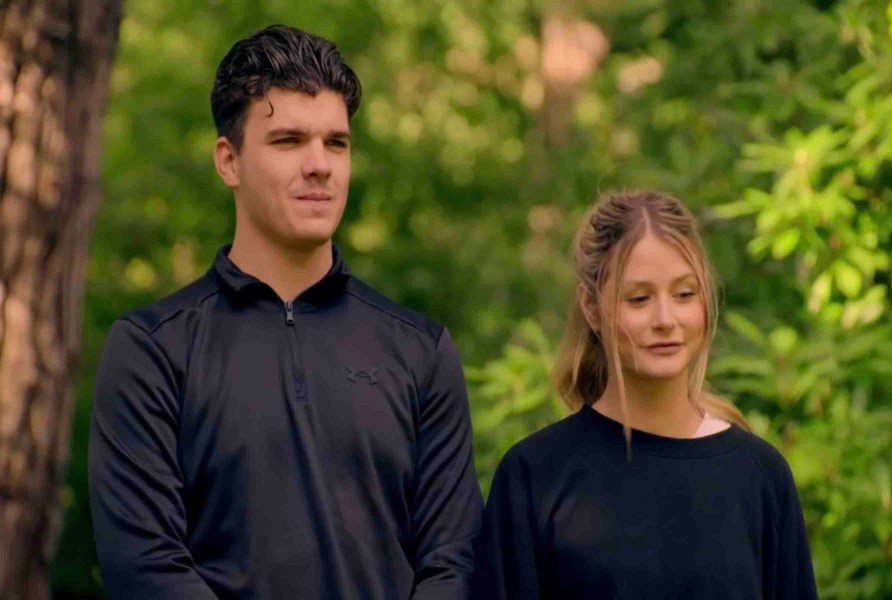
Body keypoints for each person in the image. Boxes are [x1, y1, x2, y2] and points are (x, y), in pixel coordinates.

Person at [88, 25, 482, 599]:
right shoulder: (152, 350)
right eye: (288, 140)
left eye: (337, 143)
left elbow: (456, 561)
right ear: (229, 161)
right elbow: (146, 567)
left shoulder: (420, 349)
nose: (320, 165)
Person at [475, 190, 818, 599]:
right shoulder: (535, 477)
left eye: (684, 294)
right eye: (639, 299)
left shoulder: (760, 477)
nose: (665, 319)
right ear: (591, 307)